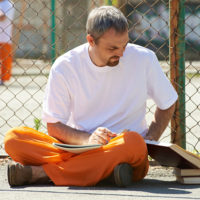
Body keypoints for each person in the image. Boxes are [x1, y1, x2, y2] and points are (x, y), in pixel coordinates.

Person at [4, 6, 178, 187]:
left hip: (123, 150)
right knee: (14, 138)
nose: (121, 53)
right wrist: (88, 139)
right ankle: (105, 172)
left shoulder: (144, 59)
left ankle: (42, 173)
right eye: (113, 48)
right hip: (78, 148)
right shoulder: (65, 66)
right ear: (91, 40)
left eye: (125, 44)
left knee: (133, 143)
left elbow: (168, 101)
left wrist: (148, 140)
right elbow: (54, 125)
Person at [0, 0, 14, 85]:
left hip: (4, 37)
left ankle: (3, 79)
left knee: (5, 59)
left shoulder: (8, 4)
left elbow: (3, 17)